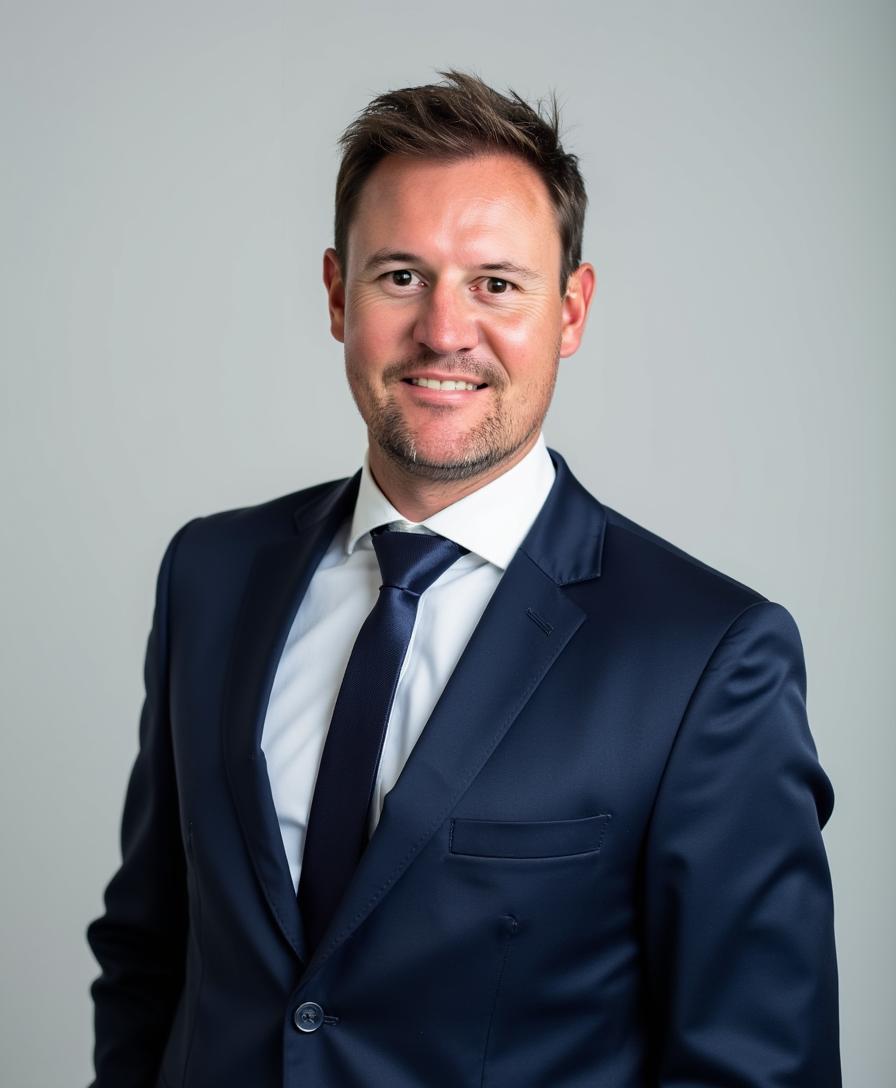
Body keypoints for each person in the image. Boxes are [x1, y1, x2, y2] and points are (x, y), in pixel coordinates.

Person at [87, 71, 840, 1087]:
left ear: (569, 309)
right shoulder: (211, 575)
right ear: (333, 291)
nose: (444, 331)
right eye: (400, 274)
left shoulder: (705, 657)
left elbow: (755, 1066)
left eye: (495, 282)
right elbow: (150, 954)